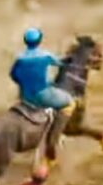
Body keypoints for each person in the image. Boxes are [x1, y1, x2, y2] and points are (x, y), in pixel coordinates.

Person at [9, 28, 74, 164]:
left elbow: (13, 75)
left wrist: (24, 84)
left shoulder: (20, 58)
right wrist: (69, 59)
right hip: (42, 95)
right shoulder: (45, 55)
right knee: (69, 102)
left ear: (25, 41)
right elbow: (61, 63)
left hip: (24, 96)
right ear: (39, 41)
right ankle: (53, 141)